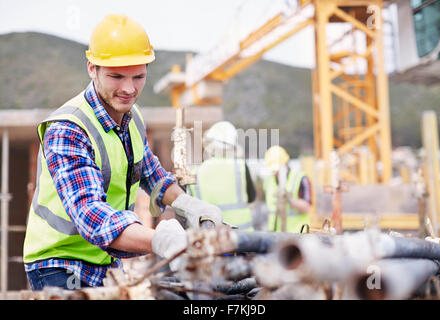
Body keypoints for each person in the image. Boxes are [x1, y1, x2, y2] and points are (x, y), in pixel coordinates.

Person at [22, 14, 222, 290]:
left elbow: (153, 176)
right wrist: (159, 239)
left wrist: (189, 205)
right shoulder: (68, 130)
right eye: (116, 76)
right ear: (92, 68)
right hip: (59, 264)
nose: (129, 89)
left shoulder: (132, 117)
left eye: (138, 76)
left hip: (104, 262)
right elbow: (91, 215)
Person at [187, 121, 256, 231]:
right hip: (243, 237)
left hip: (211, 238)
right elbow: (252, 197)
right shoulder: (240, 166)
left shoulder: (196, 172)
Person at [262, 145, 311, 233]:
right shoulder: (268, 181)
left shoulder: (300, 178)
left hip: (297, 235)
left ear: (286, 163)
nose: (275, 172)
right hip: (275, 234)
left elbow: (306, 208)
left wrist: (289, 199)